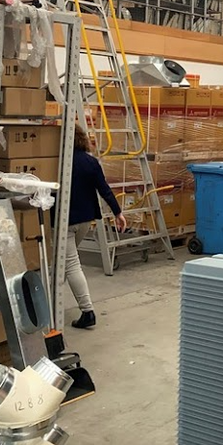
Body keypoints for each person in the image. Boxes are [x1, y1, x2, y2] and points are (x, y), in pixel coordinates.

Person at [60, 125, 126, 329]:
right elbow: (104, 189)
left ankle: (87, 311)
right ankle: (52, 302)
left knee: (70, 264)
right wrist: (118, 212)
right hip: (85, 222)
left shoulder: (59, 162)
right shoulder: (91, 162)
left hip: (65, 221)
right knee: (62, 262)